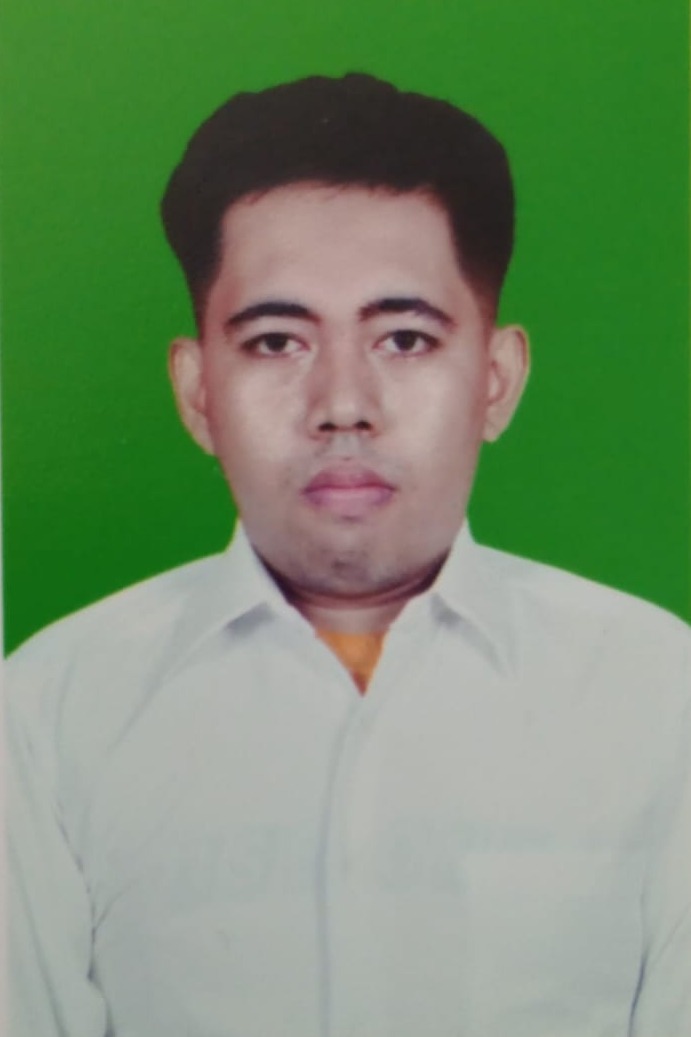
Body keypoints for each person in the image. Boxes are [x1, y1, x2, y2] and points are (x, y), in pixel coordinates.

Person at [6, 73, 690, 1037]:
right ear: (198, 393)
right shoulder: (49, 710)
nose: (342, 403)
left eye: (404, 338)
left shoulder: (659, 694)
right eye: (276, 342)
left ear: (495, 380)